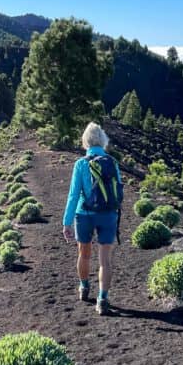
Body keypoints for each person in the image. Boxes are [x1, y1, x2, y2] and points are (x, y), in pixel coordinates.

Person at [62, 122, 123, 315]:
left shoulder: (81, 164)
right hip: (108, 215)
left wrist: (66, 222)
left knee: (84, 254)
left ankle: (84, 287)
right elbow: (118, 190)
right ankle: (103, 299)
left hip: (84, 215)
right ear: (103, 141)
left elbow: (73, 195)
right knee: (105, 260)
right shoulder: (112, 162)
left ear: (85, 141)